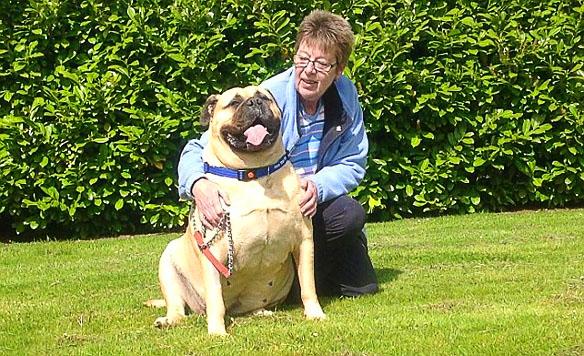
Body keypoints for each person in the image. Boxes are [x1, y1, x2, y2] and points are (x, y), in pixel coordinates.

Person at [177, 10, 378, 298]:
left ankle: (302, 275)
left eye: (322, 64)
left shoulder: (346, 97)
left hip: (313, 204)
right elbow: (198, 147)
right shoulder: (266, 97)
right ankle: (286, 276)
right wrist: (198, 184)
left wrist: (318, 186)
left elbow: (353, 161)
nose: (309, 70)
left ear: (339, 70)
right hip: (276, 207)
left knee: (353, 233)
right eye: (303, 59)